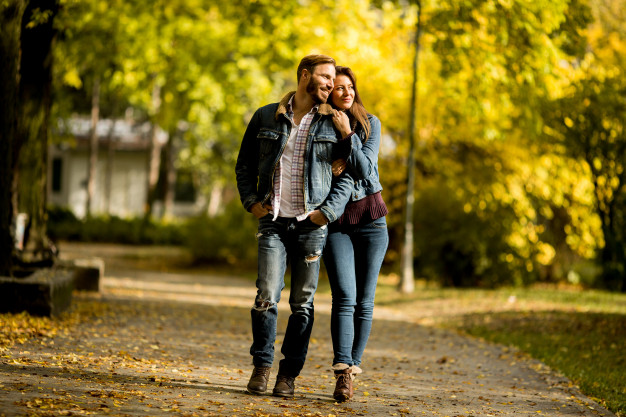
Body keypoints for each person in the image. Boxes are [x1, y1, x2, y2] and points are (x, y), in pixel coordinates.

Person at [235, 55, 353, 398]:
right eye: (326, 77)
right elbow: (244, 164)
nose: (331, 84)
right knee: (266, 297)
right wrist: (251, 203)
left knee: (303, 304)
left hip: (311, 225)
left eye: (334, 79)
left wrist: (325, 213)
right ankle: (262, 365)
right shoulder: (266, 115)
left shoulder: (334, 124)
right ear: (305, 76)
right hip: (272, 222)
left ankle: (287, 376)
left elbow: (346, 178)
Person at [323, 66, 389, 402]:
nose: (346, 92)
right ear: (330, 93)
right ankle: (341, 370)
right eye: (339, 88)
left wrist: (348, 139)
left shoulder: (369, 124)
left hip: (373, 222)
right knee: (344, 297)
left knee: (365, 301)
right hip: (337, 224)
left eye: (350, 87)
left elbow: (365, 168)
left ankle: (352, 369)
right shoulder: (321, 125)